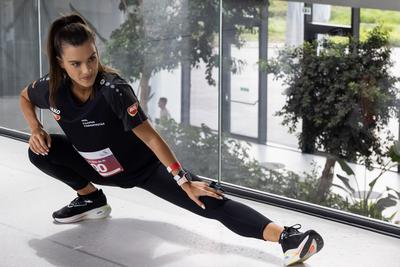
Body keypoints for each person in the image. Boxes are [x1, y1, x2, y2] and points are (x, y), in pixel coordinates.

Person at [19, 13, 323, 266]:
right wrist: (36, 129)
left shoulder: (113, 90)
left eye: (91, 59)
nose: (86, 70)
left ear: (96, 52)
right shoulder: (50, 88)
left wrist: (181, 179)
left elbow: (151, 139)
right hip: (95, 167)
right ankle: (90, 198)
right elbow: (24, 97)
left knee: (204, 199)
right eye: (76, 64)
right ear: (60, 62)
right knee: (39, 152)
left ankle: (287, 238)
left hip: (144, 169)